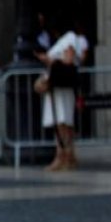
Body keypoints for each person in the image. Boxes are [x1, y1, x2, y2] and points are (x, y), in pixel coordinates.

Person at [39, 20, 90, 171]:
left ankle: (62, 155)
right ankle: (68, 155)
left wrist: (50, 59)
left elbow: (68, 58)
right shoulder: (68, 39)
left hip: (60, 86)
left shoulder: (69, 38)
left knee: (61, 122)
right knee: (63, 122)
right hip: (60, 87)